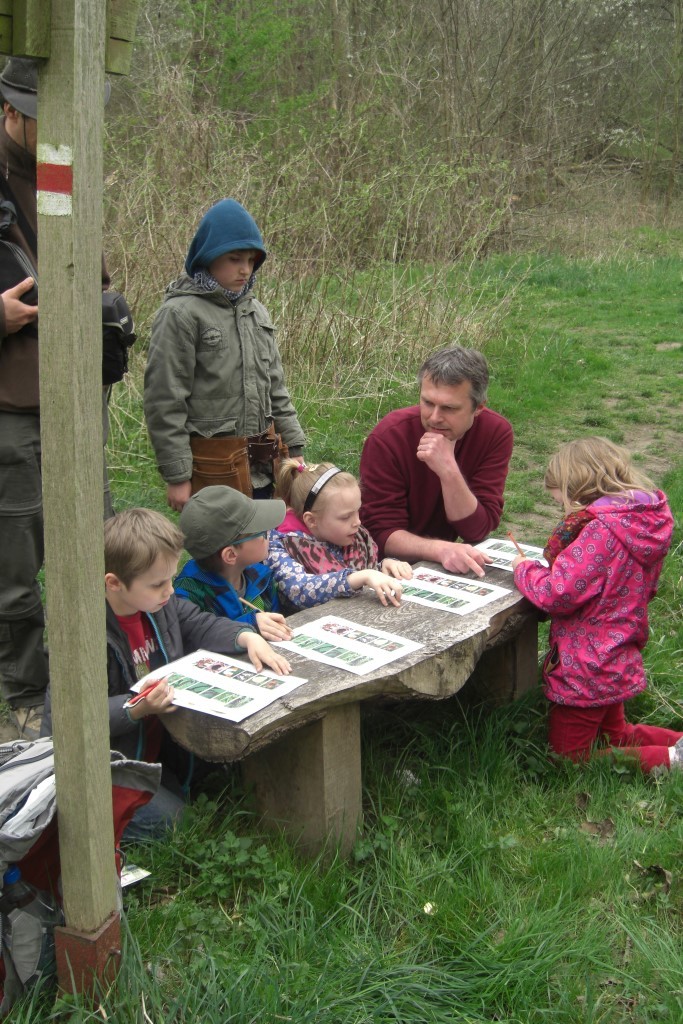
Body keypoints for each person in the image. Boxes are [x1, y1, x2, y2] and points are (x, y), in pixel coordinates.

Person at [41, 508, 291, 838]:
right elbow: (74, 718)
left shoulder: (159, 604)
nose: (170, 591)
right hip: (97, 768)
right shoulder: (84, 636)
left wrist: (245, 636)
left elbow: (200, 623)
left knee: (232, 763)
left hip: (156, 747)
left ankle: (166, 784)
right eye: (159, 583)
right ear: (113, 583)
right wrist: (135, 709)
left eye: (171, 579)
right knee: (178, 824)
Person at [0, 57, 114, 740]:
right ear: (9, 111)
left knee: (95, 543)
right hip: (11, 411)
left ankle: (94, 670)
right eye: (45, 119)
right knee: (15, 563)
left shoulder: (67, 167)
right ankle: (22, 697)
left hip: (74, 396)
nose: (57, 133)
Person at [512, 437, 682, 774]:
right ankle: (676, 742)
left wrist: (524, 569)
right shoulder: (642, 522)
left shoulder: (600, 533)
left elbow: (557, 594)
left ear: (577, 488)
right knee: (616, 736)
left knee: (567, 759)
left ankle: (671, 760)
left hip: (585, 664)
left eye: (560, 498)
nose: (561, 507)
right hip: (619, 651)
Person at [144, 198, 305, 512]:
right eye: (234, 259)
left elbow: (276, 389)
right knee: (219, 557)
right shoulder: (181, 314)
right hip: (212, 470)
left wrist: (294, 448)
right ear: (209, 258)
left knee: (262, 552)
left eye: (250, 260)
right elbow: (164, 399)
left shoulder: (256, 312)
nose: (244, 269)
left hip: (263, 471)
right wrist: (177, 475)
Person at [359, 346, 513, 578]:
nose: (434, 417)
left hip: (436, 567)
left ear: (479, 407)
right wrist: (440, 549)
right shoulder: (389, 436)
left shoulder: (495, 432)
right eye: (428, 402)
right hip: (381, 568)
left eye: (449, 408)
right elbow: (381, 532)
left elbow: (478, 529)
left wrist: (448, 471)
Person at [267, 459, 412, 610]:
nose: (357, 521)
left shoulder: (350, 535)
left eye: (358, 511)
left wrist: (384, 567)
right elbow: (300, 590)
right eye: (345, 517)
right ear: (311, 520)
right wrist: (361, 577)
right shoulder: (281, 544)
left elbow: (364, 573)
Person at [175, 485, 293, 642]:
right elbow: (194, 640)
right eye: (262, 533)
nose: (269, 536)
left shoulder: (262, 578)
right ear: (230, 555)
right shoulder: (188, 594)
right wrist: (249, 625)